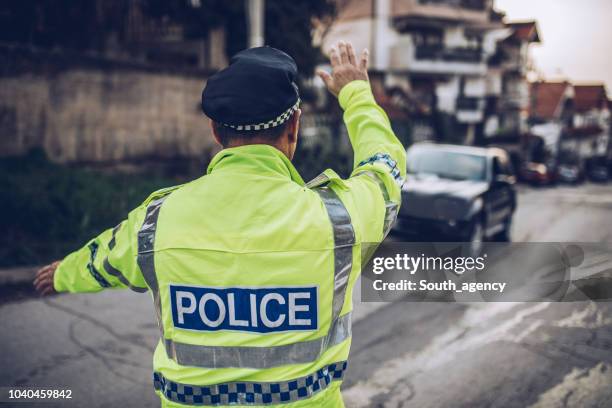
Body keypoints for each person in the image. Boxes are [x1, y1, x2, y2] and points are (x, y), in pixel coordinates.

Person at [34, 41, 406, 407]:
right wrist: (356, 93)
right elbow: (384, 169)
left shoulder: (157, 220)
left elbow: (106, 259)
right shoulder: (341, 219)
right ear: (294, 127)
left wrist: (62, 274)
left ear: (215, 132)